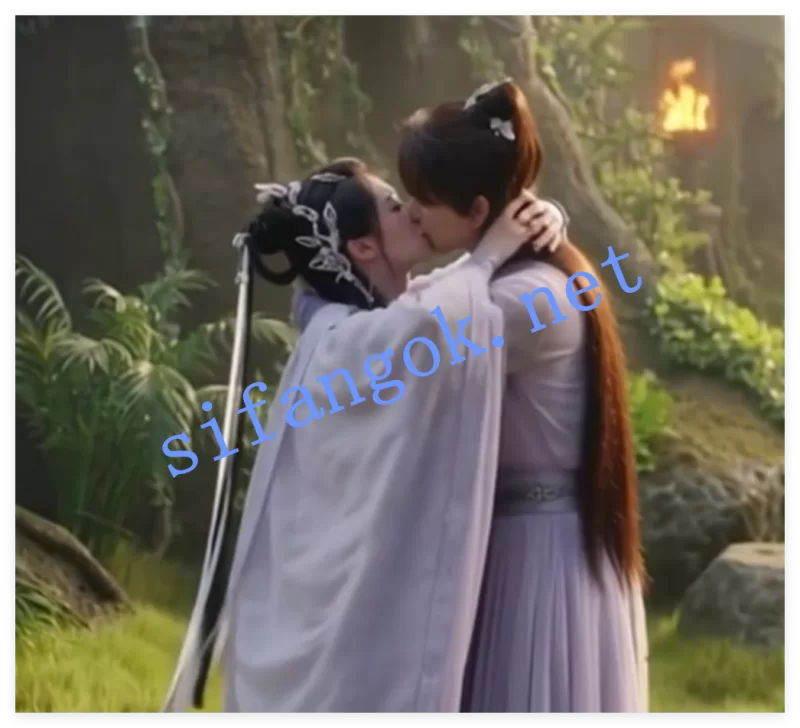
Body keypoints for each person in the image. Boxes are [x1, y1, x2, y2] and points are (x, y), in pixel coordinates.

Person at [203, 160, 568, 713]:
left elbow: (443, 300)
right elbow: (435, 324)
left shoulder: (365, 323)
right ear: (364, 247)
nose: (413, 211)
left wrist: (540, 221)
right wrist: (490, 254)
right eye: (395, 207)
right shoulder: (346, 343)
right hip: (334, 610)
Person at [390, 78, 649, 713]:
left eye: (423, 199)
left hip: (535, 557)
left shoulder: (525, 299)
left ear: (478, 210)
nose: (411, 212)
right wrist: (489, 254)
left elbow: (406, 346)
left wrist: (483, 261)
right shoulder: (524, 278)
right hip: (522, 542)